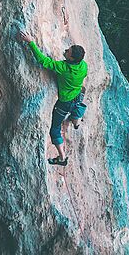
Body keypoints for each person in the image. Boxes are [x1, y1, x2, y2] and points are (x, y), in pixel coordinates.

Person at [18, 30, 87, 166]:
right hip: (77, 94)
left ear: (71, 58)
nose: (66, 50)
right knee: (77, 103)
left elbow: (43, 61)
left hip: (65, 102)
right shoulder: (83, 65)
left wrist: (30, 42)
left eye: (68, 51)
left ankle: (62, 158)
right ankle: (76, 122)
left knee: (55, 129)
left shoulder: (63, 67)